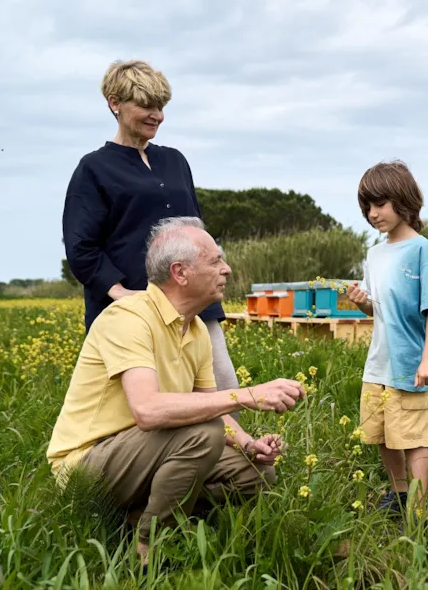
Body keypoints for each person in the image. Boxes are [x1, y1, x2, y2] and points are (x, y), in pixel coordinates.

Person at [47, 217, 306, 568]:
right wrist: (248, 395)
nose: (227, 269)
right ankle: (149, 547)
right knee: (203, 433)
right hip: (87, 467)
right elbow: (147, 410)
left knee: (256, 474)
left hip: (148, 453)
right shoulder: (128, 317)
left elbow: (212, 410)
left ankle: (137, 515)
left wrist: (248, 444)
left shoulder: (195, 328)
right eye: (215, 261)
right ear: (180, 273)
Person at [62, 59, 241, 413]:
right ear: (115, 103)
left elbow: (196, 230)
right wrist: (121, 293)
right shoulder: (93, 168)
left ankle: (239, 450)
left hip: (194, 305)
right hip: (134, 311)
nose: (156, 115)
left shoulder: (175, 161)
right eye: (146, 105)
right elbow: (81, 246)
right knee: (144, 407)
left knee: (223, 391)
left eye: (160, 107)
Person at [345, 160, 428, 518]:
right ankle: (399, 494)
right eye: (367, 207)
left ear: (403, 201)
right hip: (378, 363)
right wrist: (361, 303)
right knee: (383, 434)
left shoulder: (421, 250)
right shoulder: (374, 254)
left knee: (413, 437)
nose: (373, 214)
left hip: (410, 363)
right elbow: (376, 310)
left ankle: (417, 511)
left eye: (380, 204)